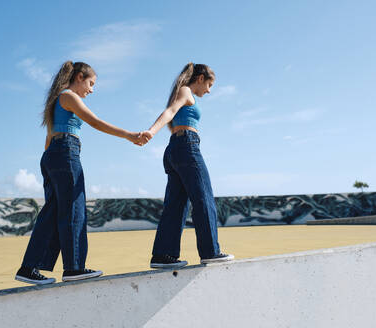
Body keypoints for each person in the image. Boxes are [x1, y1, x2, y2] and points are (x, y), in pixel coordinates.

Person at [15, 61, 150, 285]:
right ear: (78, 76)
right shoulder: (69, 97)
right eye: (90, 83)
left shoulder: (56, 101)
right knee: (74, 210)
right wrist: (129, 135)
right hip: (65, 153)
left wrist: (51, 165)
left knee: (52, 214)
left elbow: (48, 139)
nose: (91, 89)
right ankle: (74, 268)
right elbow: (95, 122)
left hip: (53, 155)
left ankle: (29, 268)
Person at [144, 62, 234, 269]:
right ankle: (211, 251)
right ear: (200, 79)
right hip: (186, 147)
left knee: (175, 205)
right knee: (204, 198)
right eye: (209, 85)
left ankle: (163, 255)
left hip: (176, 149)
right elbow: (169, 112)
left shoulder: (181, 92)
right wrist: (151, 131)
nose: (209, 91)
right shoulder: (185, 91)